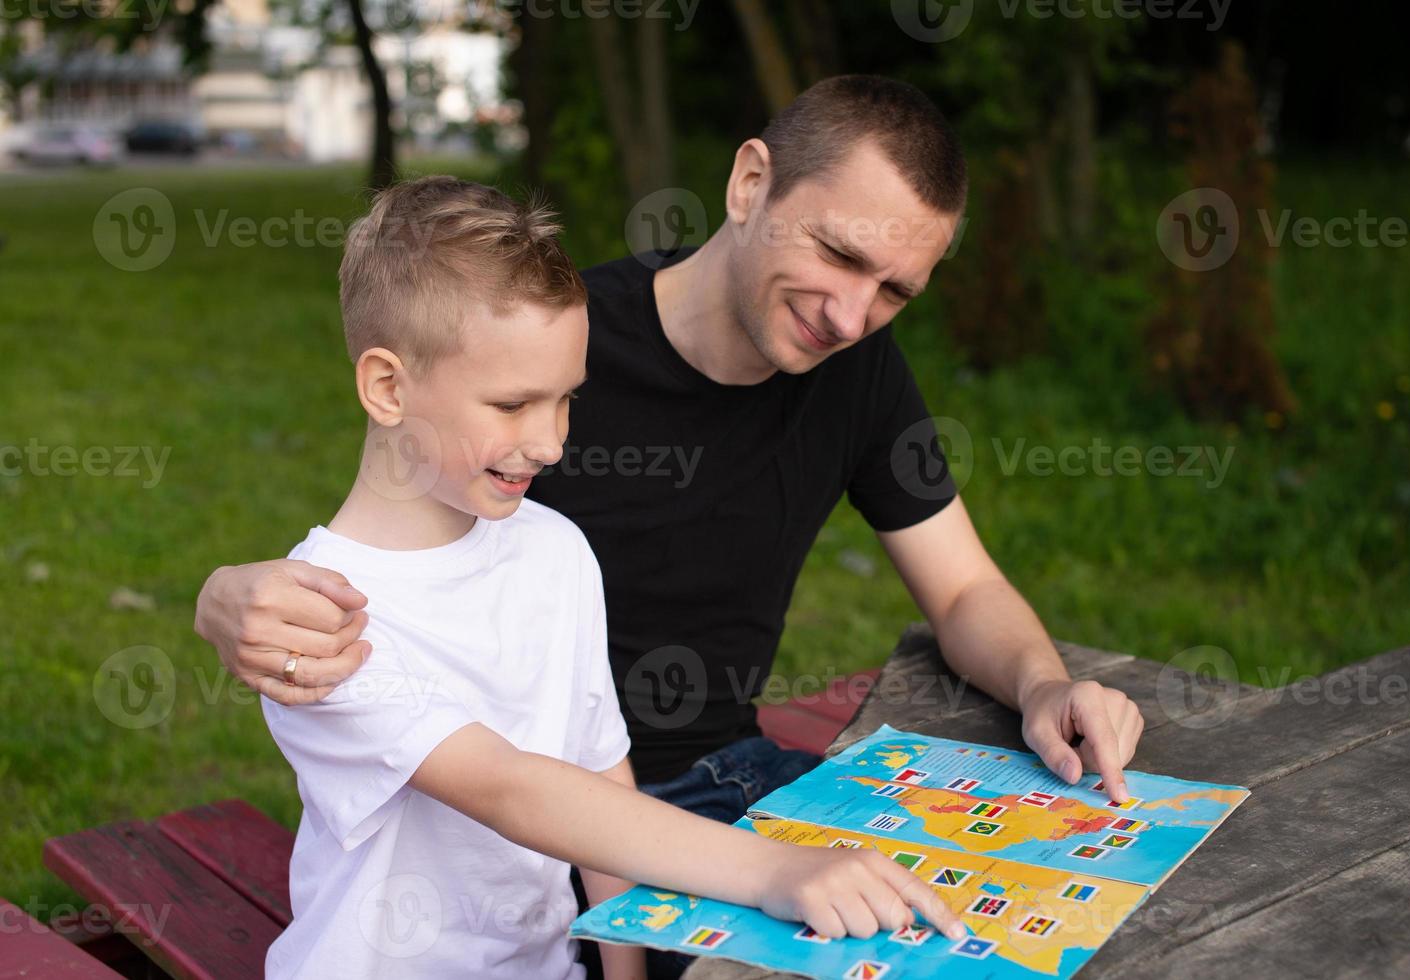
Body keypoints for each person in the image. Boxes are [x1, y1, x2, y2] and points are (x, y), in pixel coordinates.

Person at [197, 74, 1143, 838]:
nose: (851, 316)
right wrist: (228, 599)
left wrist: (1041, 683)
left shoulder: (858, 371)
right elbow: (396, 560)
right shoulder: (559, 353)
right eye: (838, 255)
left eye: (895, 291)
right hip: (548, 820)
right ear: (748, 184)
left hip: (738, 776)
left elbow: (965, 589)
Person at [260, 176, 965, 980]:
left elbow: (600, 775)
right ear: (388, 387)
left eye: (565, 401)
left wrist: (625, 973)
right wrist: (777, 870)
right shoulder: (320, 615)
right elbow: (511, 787)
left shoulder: (554, 548)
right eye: (514, 403)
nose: (551, 441)